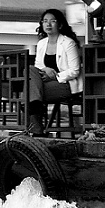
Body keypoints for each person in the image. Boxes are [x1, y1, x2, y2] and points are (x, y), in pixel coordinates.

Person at [26, 8, 84, 136]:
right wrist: (46, 70)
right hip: (45, 82)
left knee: (26, 95)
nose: (48, 24)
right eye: (45, 21)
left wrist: (56, 76)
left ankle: (36, 123)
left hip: (66, 84)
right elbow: (38, 67)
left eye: (52, 21)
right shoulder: (41, 43)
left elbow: (75, 70)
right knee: (30, 70)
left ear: (60, 24)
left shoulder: (68, 43)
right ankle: (36, 111)